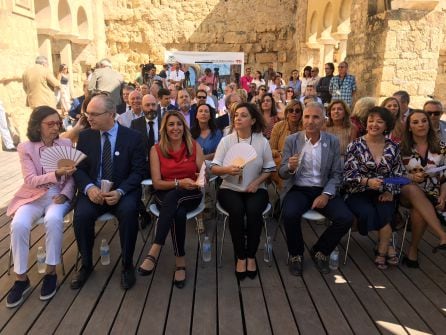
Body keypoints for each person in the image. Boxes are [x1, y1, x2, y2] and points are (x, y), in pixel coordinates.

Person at [71, 94, 146, 290]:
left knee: (129, 213)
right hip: (94, 191)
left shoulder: (133, 138)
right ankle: (86, 264)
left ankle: (127, 264)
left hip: (122, 192)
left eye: (94, 114)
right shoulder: (86, 136)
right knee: (81, 216)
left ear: (111, 114)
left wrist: (120, 191)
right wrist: (89, 188)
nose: (89, 118)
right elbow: (78, 168)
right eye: (88, 114)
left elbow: (139, 171)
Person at [6, 106, 75, 308]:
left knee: (53, 220)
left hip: (57, 194)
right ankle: (21, 279)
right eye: (50, 123)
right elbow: (30, 179)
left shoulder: (66, 143)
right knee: (19, 224)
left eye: (58, 123)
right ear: (38, 126)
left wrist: (65, 194)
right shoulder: (25, 148)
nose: (56, 127)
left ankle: (51, 273)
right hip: (32, 195)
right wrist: (56, 174)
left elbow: (71, 178)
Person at [279, 102, 354, 276]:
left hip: (323, 188)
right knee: (289, 213)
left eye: (315, 117)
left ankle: (321, 250)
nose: (310, 121)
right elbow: (282, 173)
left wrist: (326, 194)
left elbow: (337, 173)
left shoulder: (332, 141)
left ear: (323, 120)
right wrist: (289, 167)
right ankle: (296, 254)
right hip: (299, 188)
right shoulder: (292, 140)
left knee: (346, 218)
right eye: (307, 116)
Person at [137, 111, 204, 289]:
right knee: (178, 212)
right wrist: (178, 183)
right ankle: (180, 261)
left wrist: (199, 177)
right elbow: (157, 184)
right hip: (165, 194)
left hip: (191, 194)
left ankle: (155, 248)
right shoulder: (156, 149)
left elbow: (204, 174)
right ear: (165, 128)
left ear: (184, 126)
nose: (175, 128)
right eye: (171, 124)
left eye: (179, 124)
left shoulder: (194, 146)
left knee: (176, 199)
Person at [211, 102, 275, 280]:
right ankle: (240, 256)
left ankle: (251, 255)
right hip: (229, 188)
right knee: (237, 211)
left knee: (254, 212)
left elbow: (270, 168)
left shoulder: (262, 141)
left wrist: (257, 182)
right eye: (236, 115)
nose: (237, 118)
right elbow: (214, 168)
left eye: (243, 115)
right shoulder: (227, 140)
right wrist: (227, 170)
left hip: (256, 188)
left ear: (253, 120)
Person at [344, 107, 404, 269]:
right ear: (366, 123)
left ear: (387, 125)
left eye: (379, 121)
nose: (374, 124)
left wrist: (390, 191)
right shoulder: (355, 146)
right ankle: (388, 246)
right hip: (358, 192)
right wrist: (366, 181)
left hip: (384, 192)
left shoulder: (393, 147)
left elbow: (399, 174)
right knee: (368, 212)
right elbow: (347, 176)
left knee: (385, 209)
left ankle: (381, 250)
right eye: (371, 121)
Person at [399, 110, 446, 267]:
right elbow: (393, 174)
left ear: (429, 124)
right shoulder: (400, 148)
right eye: (415, 122)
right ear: (409, 127)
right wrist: (411, 177)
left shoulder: (441, 148)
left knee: (418, 210)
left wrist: (443, 195)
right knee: (412, 190)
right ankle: (442, 234)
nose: (421, 124)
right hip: (404, 192)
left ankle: (412, 251)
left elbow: (445, 176)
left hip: (431, 194)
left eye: (424, 121)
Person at [269, 100, 303, 190]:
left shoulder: (305, 127)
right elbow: (271, 149)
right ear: (287, 112)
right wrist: (280, 154)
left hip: (300, 161)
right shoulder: (278, 126)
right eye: (291, 110)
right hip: (282, 160)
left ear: (301, 113)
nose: (294, 113)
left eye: (297, 111)